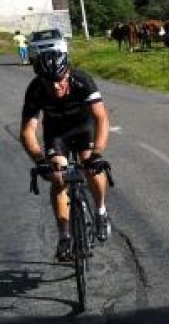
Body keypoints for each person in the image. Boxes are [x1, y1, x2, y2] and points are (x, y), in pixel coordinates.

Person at [19, 50, 113, 262]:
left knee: (92, 166)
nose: (54, 86)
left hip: (84, 127)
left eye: (58, 80)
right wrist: (39, 160)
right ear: (40, 79)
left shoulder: (82, 81)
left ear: (68, 73)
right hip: (56, 133)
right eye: (47, 81)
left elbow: (101, 118)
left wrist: (97, 152)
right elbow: (27, 131)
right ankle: (64, 236)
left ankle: (100, 212)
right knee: (58, 176)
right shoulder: (35, 90)